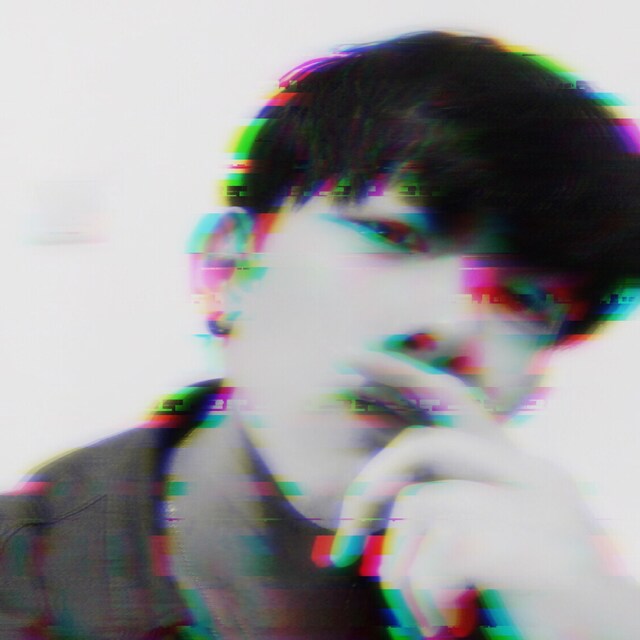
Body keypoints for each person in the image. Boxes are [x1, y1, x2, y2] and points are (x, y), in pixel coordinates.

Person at [2, 30, 640, 640]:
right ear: (228, 270)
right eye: (393, 236)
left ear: (533, 385)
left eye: (524, 301)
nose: (448, 328)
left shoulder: (537, 605)